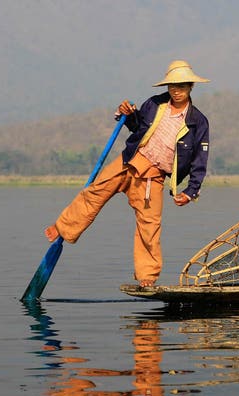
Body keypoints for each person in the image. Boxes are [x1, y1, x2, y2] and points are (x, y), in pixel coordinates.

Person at [44, 60, 211, 287]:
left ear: (191, 86)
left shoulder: (197, 122)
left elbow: (200, 161)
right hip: (128, 161)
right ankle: (63, 227)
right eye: (172, 85)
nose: (176, 90)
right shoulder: (154, 104)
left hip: (153, 177)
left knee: (149, 226)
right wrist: (127, 113)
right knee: (94, 193)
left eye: (181, 85)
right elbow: (137, 126)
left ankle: (147, 276)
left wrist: (191, 191)